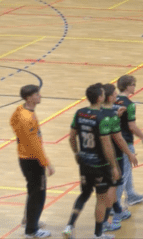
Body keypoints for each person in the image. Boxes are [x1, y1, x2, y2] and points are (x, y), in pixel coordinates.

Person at [62, 83, 120, 239]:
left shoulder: (79, 113)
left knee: (84, 194)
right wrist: (114, 166)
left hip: (84, 163)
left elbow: (71, 137)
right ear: (100, 98)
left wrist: (76, 153)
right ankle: (98, 234)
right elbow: (107, 146)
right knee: (101, 198)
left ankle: (69, 225)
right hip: (100, 165)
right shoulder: (102, 118)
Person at [10, 84, 54, 239]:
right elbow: (35, 145)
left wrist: (20, 137)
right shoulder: (27, 118)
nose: (40, 96)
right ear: (29, 97)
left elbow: (12, 122)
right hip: (32, 160)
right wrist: (46, 163)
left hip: (25, 157)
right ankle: (31, 230)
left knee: (33, 191)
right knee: (38, 195)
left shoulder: (21, 109)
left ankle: (28, 220)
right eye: (37, 94)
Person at [99, 84, 138, 233]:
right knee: (113, 184)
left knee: (104, 188)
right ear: (109, 97)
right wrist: (129, 154)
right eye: (115, 95)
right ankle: (113, 217)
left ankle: (111, 216)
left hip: (97, 156)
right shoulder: (111, 116)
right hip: (112, 154)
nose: (117, 97)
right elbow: (118, 137)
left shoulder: (95, 112)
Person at [113, 75, 143, 205]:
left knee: (124, 171)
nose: (135, 86)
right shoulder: (129, 104)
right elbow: (132, 126)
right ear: (127, 86)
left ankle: (131, 194)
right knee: (124, 173)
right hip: (125, 142)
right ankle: (115, 205)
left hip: (112, 141)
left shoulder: (112, 101)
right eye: (133, 84)